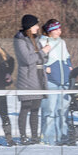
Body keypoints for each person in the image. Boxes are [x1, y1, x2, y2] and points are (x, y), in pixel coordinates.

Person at [13, 14, 49, 145]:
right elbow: (27, 59)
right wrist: (43, 52)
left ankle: (35, 137)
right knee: (26, 107)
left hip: (39, 77)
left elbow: (43, 59)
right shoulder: (19, 40)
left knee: (35, 109)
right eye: (35, 25)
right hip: (27, 79)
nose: (38, 28)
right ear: (29, 26)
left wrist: (44, 53)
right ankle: (23, 136)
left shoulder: (36, 39)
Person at [39, 19, 72, 145]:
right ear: (50, 30)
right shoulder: (42, 41)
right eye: (56, 29)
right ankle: (48, 139)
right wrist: (45, 67)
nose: (59, 31)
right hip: (51, 81)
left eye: (60, 29)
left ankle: (62, 137)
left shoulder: (62, 42)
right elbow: (38, 59)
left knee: (62, 111)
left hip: (64, 81)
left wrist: (69, 66)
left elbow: (67, 57)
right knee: (49, 111)